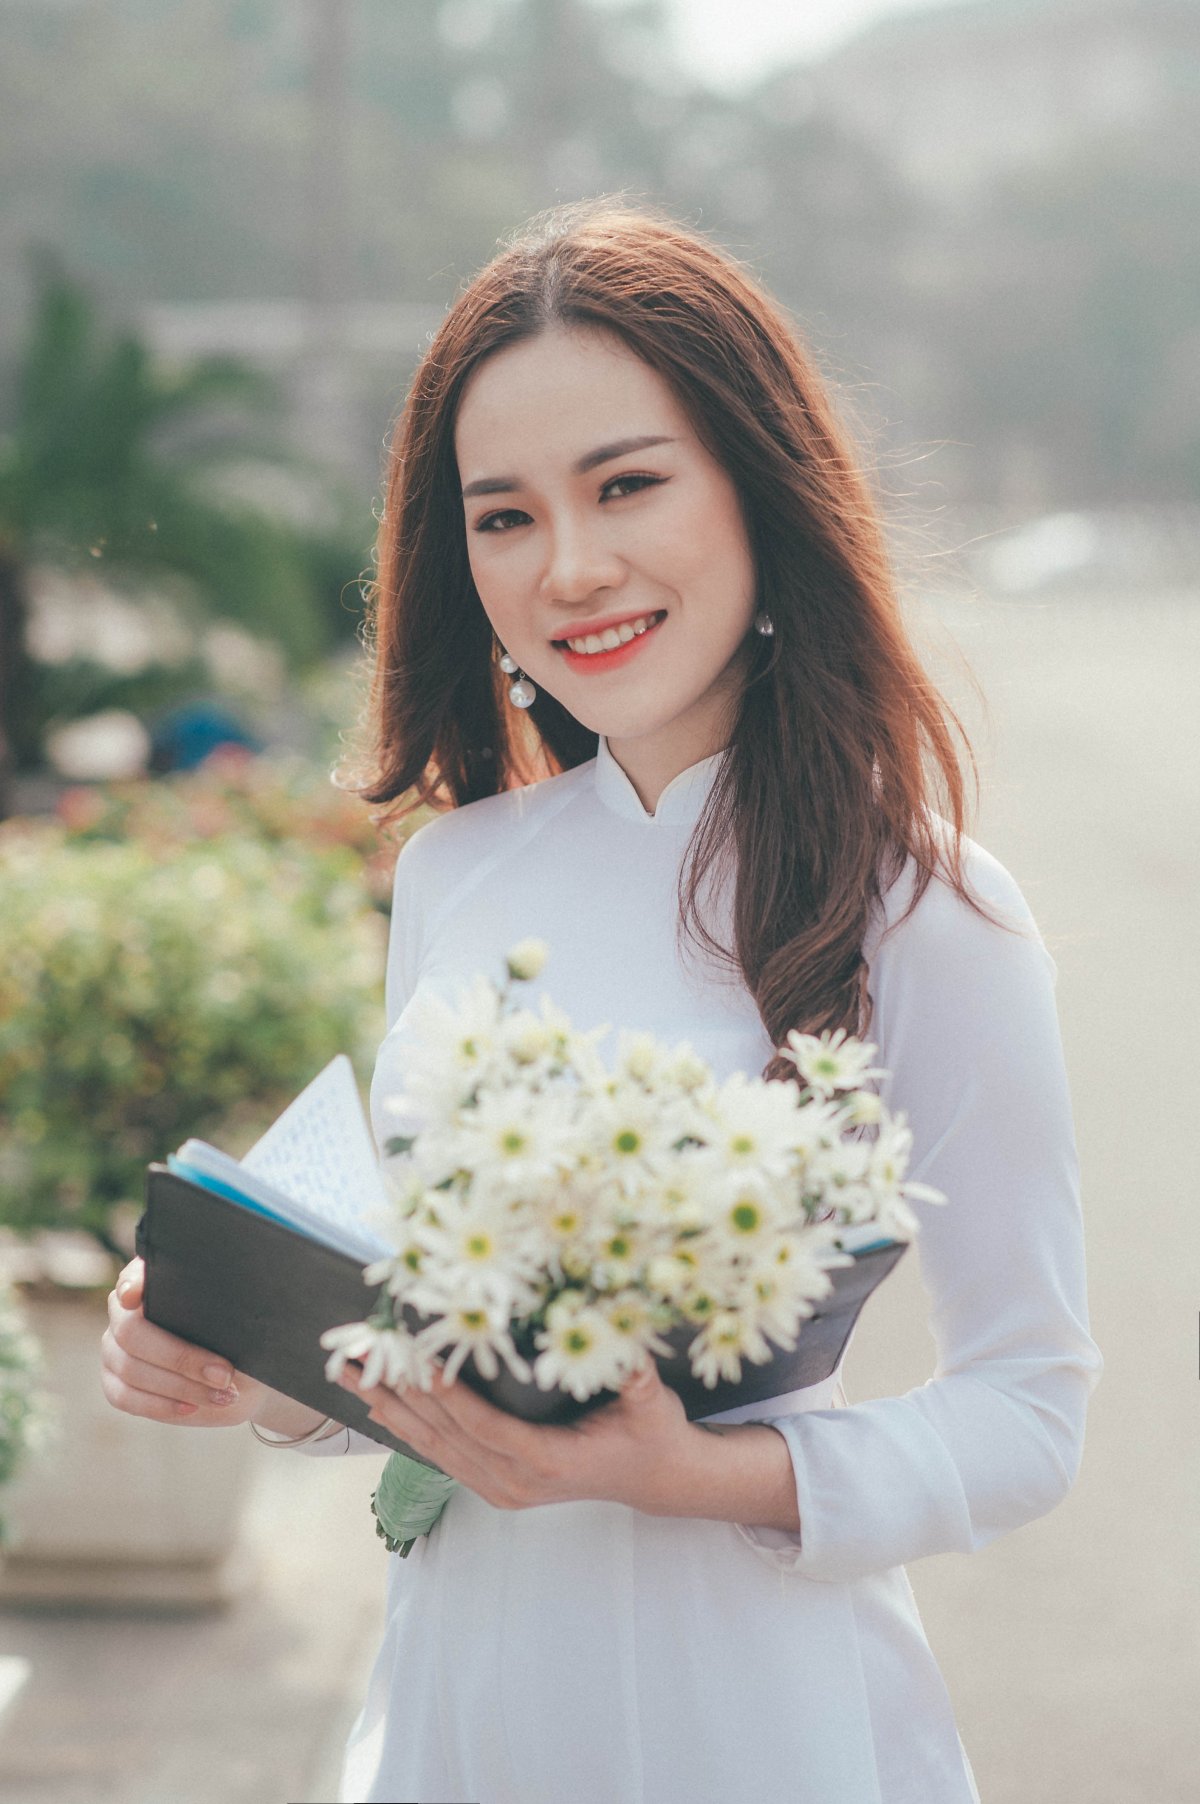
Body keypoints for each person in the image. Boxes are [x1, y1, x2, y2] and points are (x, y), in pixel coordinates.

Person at [101, 201, 1102, 1803]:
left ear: (761, 491)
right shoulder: (458, 879)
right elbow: (423, 1375)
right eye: (504, 517)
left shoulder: (932, 907)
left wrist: (701, 1475)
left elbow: (1030, 1409)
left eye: (627, 483)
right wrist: (252, 1375)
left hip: (761, 1716)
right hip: (456, 1709)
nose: (571, 566)